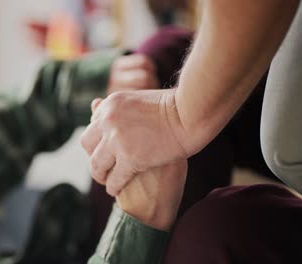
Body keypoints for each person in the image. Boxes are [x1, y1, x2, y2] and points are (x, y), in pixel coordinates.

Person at [84, 0, 302, 263]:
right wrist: (134, 231)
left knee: (157, 63)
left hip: (73, 228)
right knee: (212, 237)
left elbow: (21, 119)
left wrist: (93, 82)